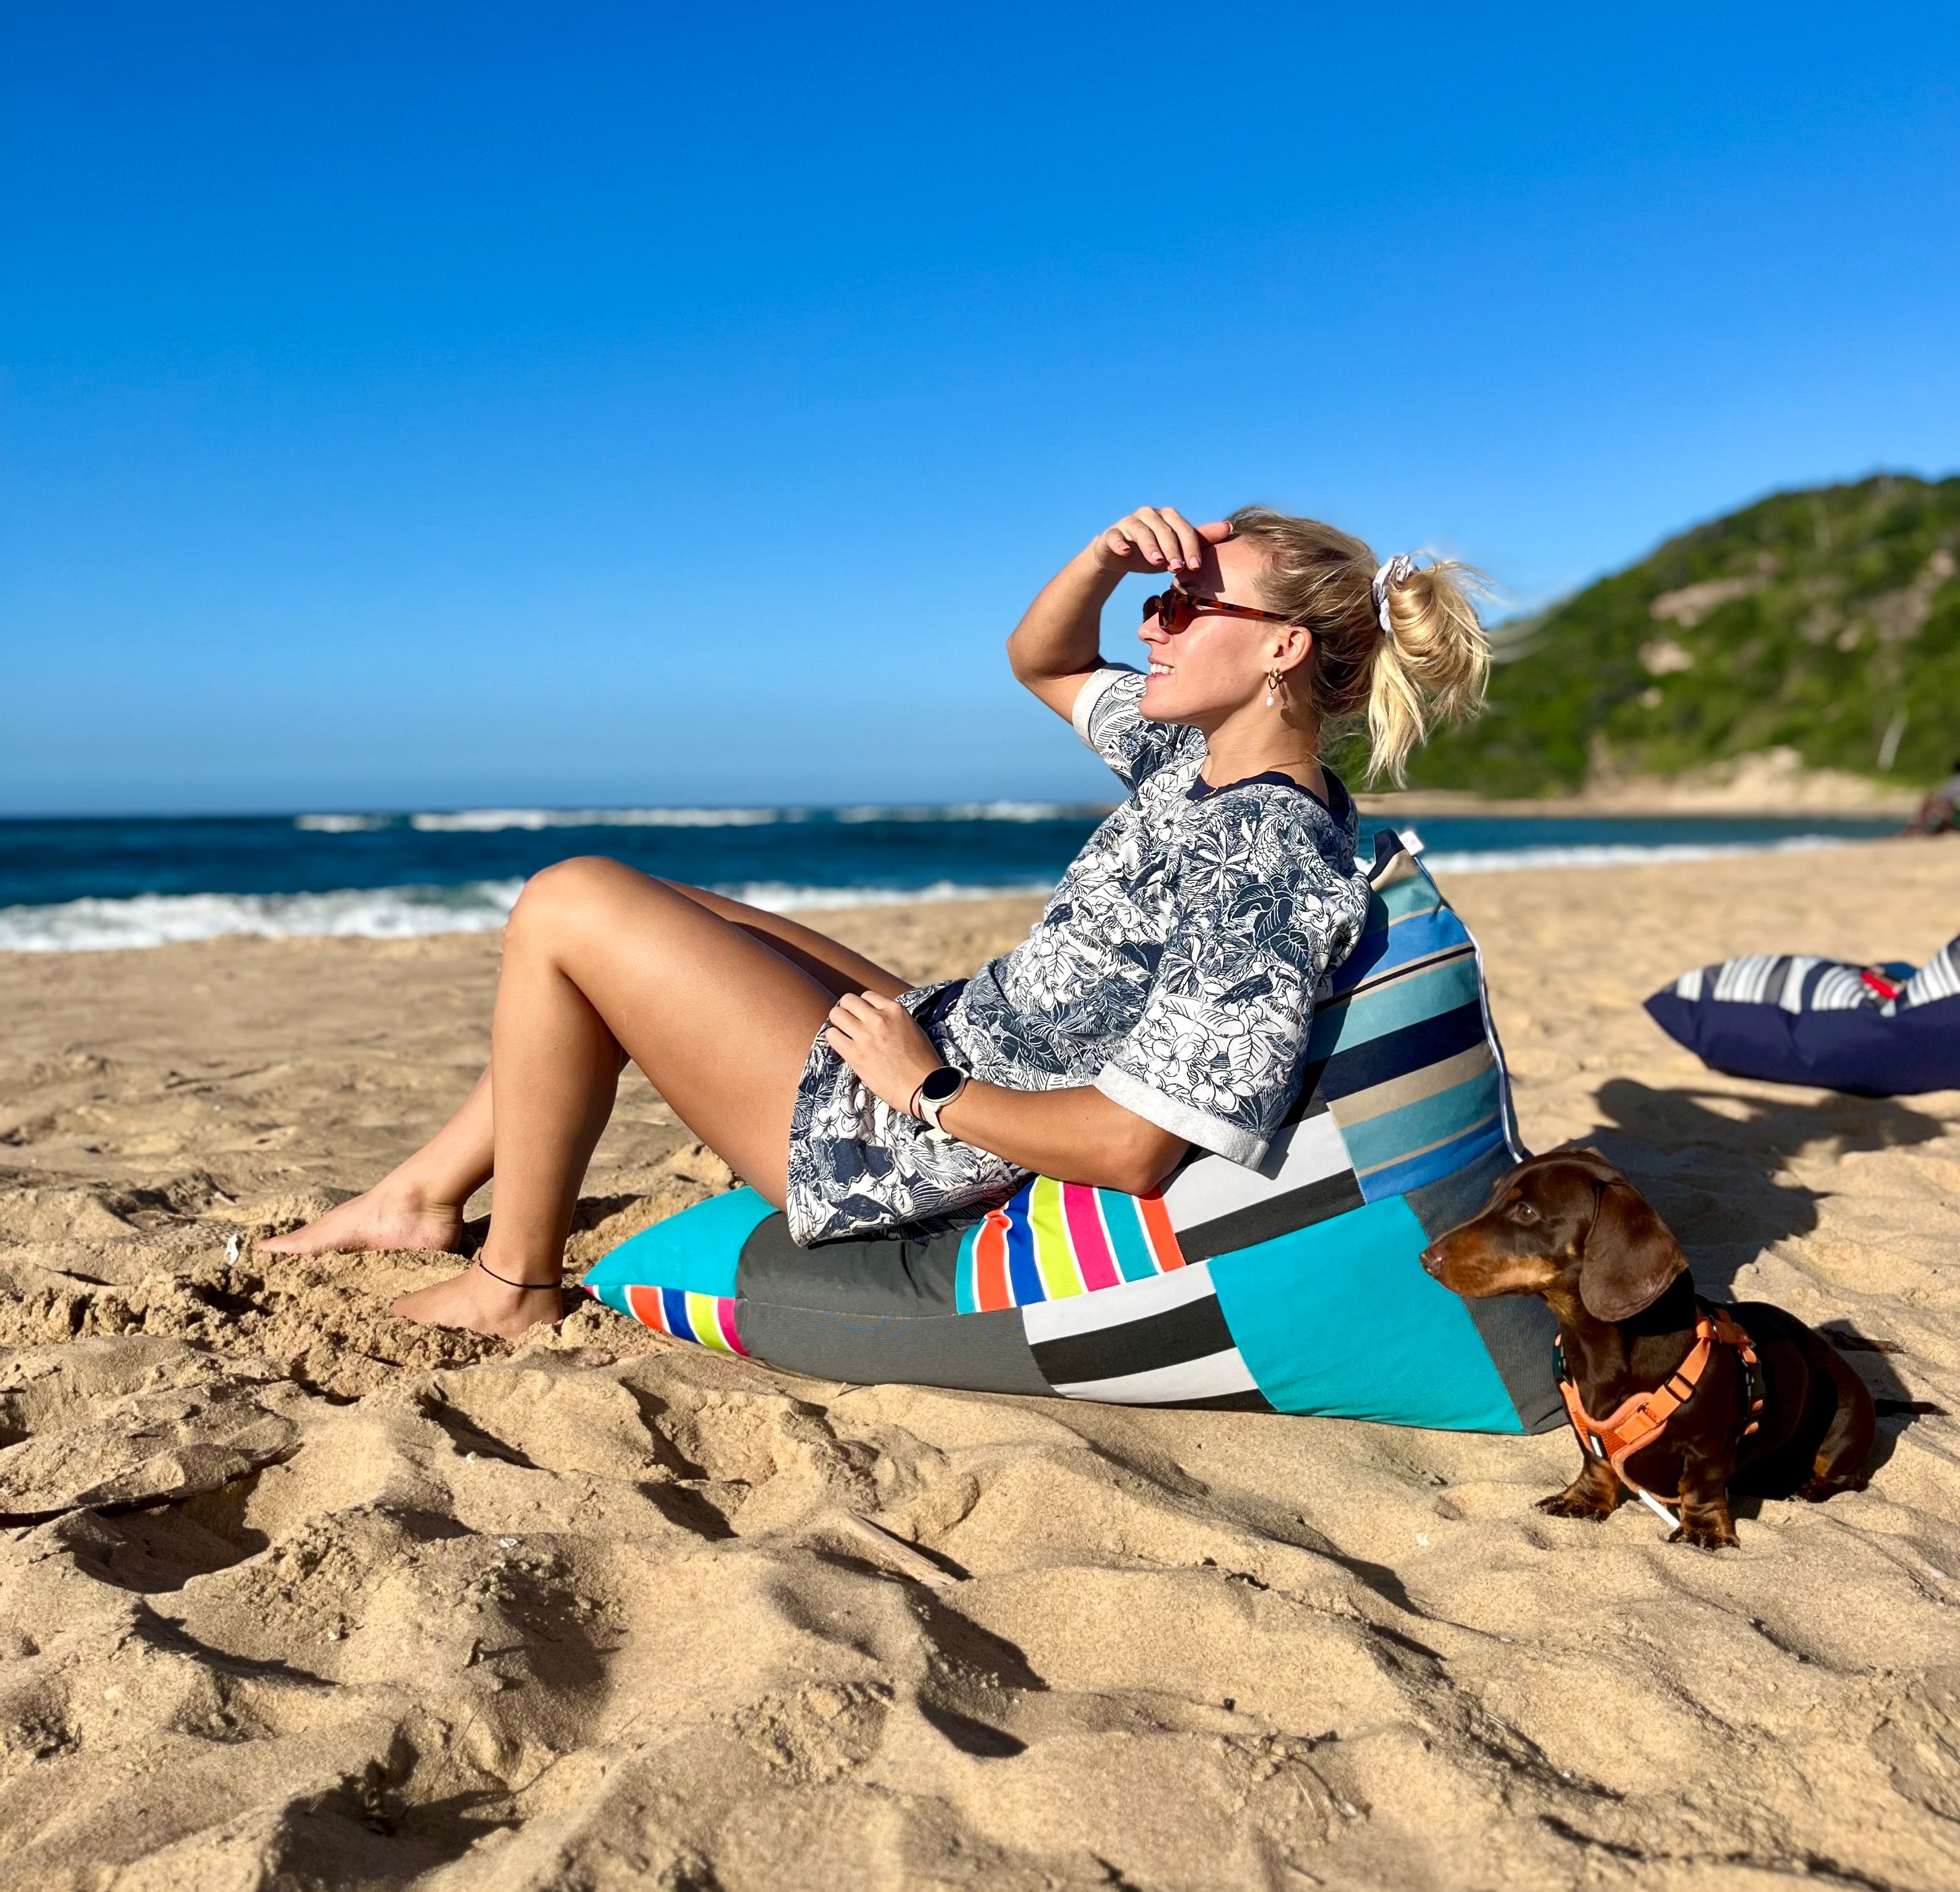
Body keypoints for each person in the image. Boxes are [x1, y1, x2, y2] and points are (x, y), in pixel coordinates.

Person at [264, 505, 1491, 1338]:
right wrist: (1100, 558)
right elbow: (1043, 661)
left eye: (1182, 608)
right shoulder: (1198, 760)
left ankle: (513, 1279)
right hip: (953, 1029)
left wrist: (927, 1089)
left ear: (1281, 648)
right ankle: (423, 1196)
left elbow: (1135, 1148)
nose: (1147, 625)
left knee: (567, 902)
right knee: (655, 910)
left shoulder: (1259, 854)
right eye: (1154, 601)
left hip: (910, 1139)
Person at [1904, 758, 1960, 837]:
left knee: (1926, 817)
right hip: (1944, 808)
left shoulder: (1952, 781)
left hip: (1940, 806)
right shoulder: (1955, 782)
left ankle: (1916, 830)